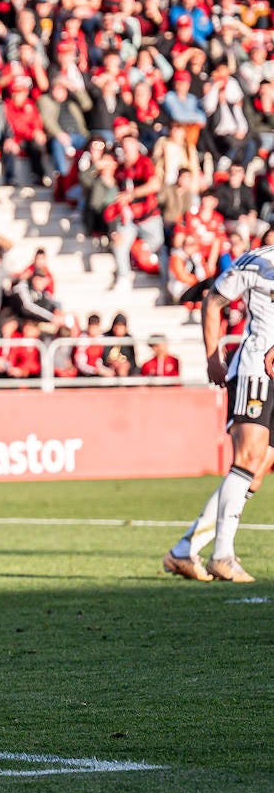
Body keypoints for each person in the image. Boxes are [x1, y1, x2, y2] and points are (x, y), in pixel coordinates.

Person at [162, 247, 274, 584]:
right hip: (255, 368)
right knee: (248, 457)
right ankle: (222, 555)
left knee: (257, 470)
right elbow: (214, 299)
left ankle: (184, 550)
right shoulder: (257, 261)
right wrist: (213, 356)